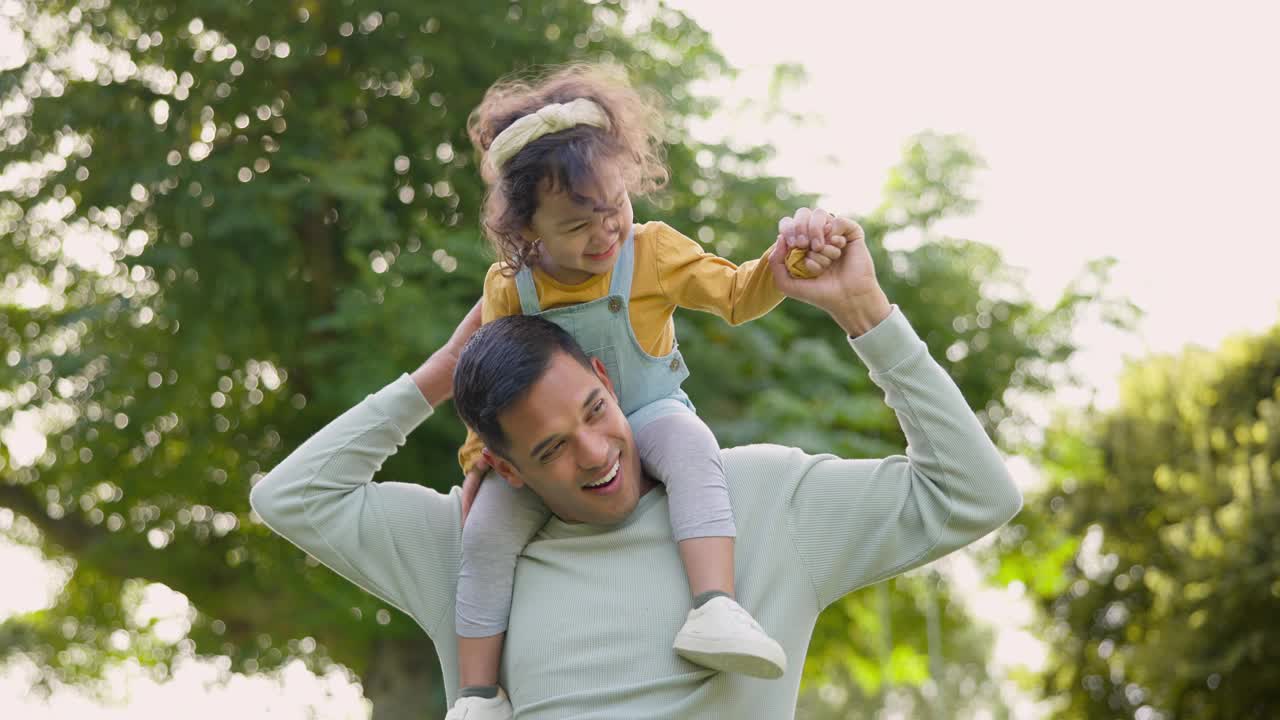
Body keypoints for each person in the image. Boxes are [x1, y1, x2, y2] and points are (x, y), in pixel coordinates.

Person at [249, 207, 1024, 718]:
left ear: (609, 381)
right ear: (508, 467)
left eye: (594, 411)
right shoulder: (470, 545)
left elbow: (975, 492)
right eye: (551, 449)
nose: (595, 453)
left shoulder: (759, 498)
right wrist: (441, 372)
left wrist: (865, 314)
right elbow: (293, 498)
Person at [447, 63, 844, 717]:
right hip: (558, 442)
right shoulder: (509, 288)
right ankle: (477, 694)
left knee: (692, 447)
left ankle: (715, 608)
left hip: (647, 413)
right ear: (527, 232)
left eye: (615, 208)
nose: (605, 233)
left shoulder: (651, 251)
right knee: (485, 529)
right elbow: (493, 384)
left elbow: (739, 296)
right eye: (577, 226)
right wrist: (479, 457)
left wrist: (781, 267)